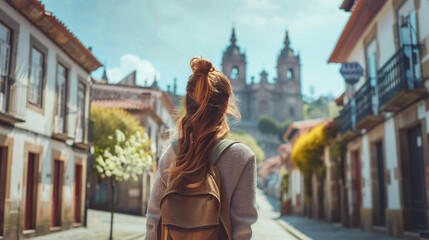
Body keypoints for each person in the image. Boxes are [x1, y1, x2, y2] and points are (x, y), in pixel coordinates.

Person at [145, 57, 258, 240]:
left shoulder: (171, 154)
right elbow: (242, 229)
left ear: (187, 106)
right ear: (225, 107)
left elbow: (153, 221)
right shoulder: (243, 157)